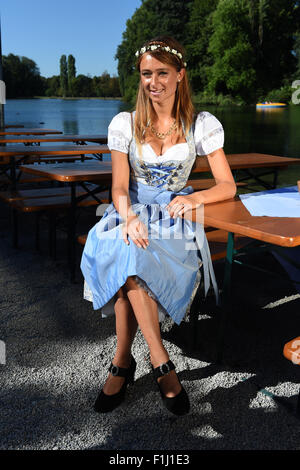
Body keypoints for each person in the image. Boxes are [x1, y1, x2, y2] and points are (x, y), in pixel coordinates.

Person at [81, 36, 236, 416]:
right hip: (128, 211)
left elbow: (227, 185)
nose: (154, 81)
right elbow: (118, 187)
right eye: (147, 74)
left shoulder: (201, 125)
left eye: (163, 73)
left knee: (128, 266)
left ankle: (122, 363)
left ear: (180, 75)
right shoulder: (125, 124)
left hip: (176, 218)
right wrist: (130, 217)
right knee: (128, 250)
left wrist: (196, 198)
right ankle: (160, 362)